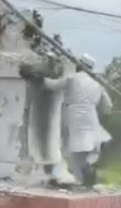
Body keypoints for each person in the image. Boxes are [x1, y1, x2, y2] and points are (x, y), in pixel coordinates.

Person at [37, 54, 112, 186]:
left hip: (74, 116)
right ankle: (86, 173)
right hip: (91, 116)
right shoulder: (97, 84)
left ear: (78, 65)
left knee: (72, 149)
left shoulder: (73, 79)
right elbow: (108, 106)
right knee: (87, 148)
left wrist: (39, 78)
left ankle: (81, 175)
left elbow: (51, 85)